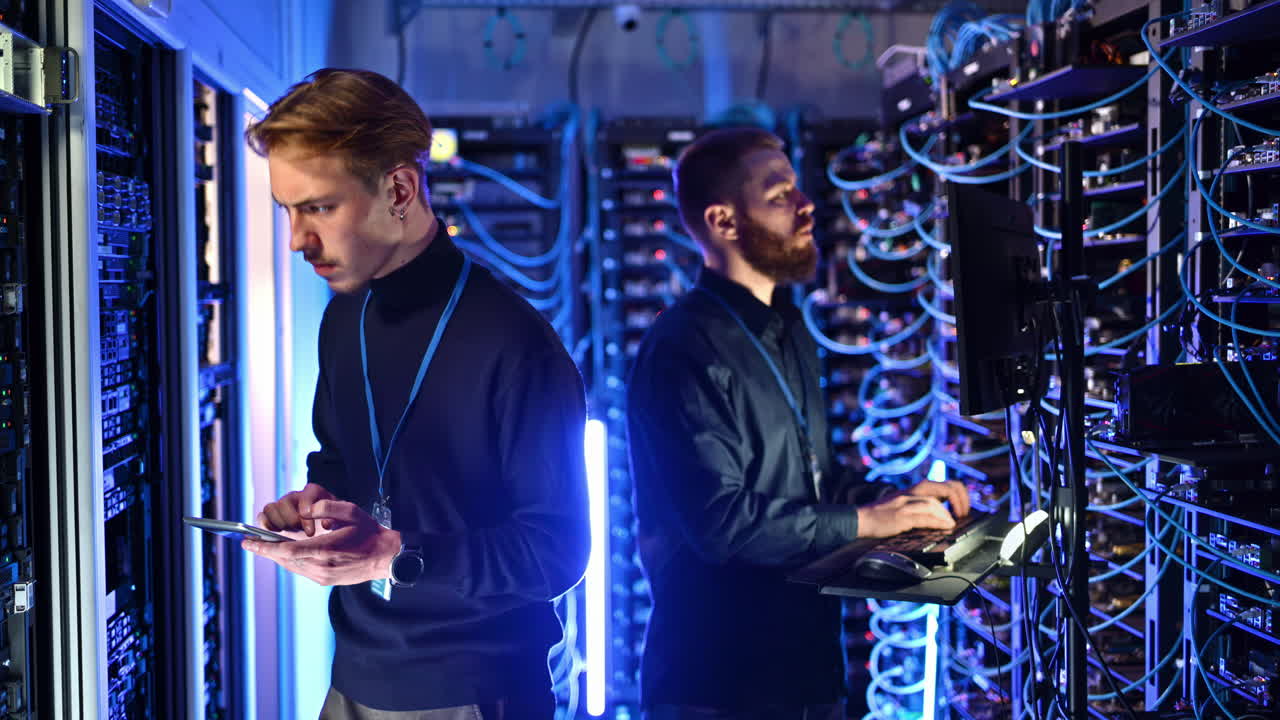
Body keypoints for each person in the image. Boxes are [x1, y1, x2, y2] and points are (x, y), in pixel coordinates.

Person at [240, 68, 590, 720]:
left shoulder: (515, 343)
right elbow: (340, 459)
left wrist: (395, 554)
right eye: (287, 210)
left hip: (473, 693)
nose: (296, 240)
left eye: (318, 208)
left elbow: (557, 552)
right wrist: (317, 506)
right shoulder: (345, 317)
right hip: (354, 678)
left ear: (399, 189)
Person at [626, 127, 971, 720]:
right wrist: (868, 521)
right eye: (780, 195)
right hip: (721, 685)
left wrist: (897, 503)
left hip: (809, 671)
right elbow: (722, 525)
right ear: (723, 221)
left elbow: (812, 480)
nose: (807, 206)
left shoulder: (787, 328)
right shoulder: (683, 347)